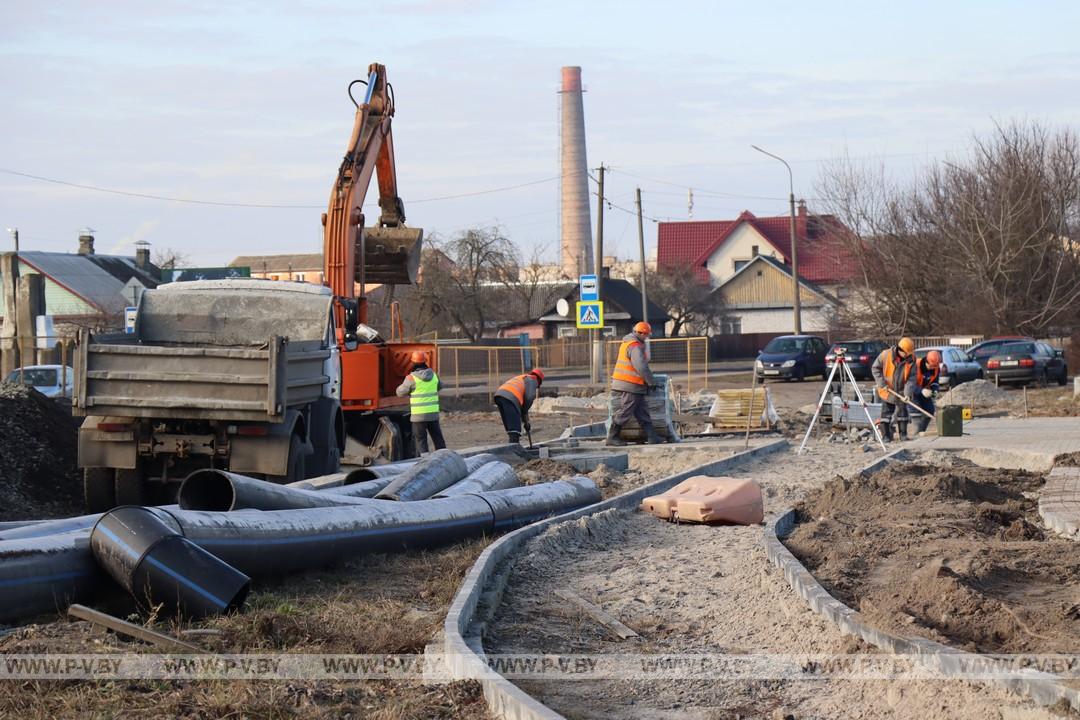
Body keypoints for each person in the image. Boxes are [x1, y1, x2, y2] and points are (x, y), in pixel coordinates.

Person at [607, 321, 664, 446]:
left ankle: (652, 436)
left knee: (642, 411)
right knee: (626, 410)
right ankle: (612, 436)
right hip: (630, 384)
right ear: (641, 333)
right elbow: (641, 366)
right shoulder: (634, 346)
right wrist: (651, 381)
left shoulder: (628, 343)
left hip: (632, 384)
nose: (647, 337)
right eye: (647, 335)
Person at [396, 351, 445, 455]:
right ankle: (444, 457)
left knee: (421, 440)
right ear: (425, 362)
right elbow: (440, 386)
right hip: (433, 414)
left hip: (419, 416)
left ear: (413, 363)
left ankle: (424, 460)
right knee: (438, 438)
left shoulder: (411, 378)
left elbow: (400, 393)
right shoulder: (434, 376)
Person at [872, 337, 917, 441]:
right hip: (887, 390)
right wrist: (882, 383)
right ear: (900, 350)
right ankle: (886, 436)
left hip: (901, 390)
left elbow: (912, 377)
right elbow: (875, 368)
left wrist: (907, 393)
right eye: (906, 353)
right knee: (886, 413)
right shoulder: (885, 355)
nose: (908, 355)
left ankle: (903, 435)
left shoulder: (911, 359)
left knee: (903, 412)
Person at [494, 368, 544, 444]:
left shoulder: (523, 378)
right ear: (539, 381)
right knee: (515, 428)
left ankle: (512, 445)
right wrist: (524, 411)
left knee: (510, 425)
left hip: (499, 395)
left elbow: (524, 403)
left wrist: (525, 421)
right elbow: (529, 398)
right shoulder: (532, 380)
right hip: (511, 397)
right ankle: (514, 447)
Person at [913, 350, 942, 433]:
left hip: (925, 393)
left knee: (930, 410)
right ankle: (915, 431)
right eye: (931, 366)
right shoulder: (915, 366)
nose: (933, 369)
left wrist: (934, 391)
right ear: (926, 361)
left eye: (935, 367)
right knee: (916, 411)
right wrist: (920, 390)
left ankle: (921, 431)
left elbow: (935, 382)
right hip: (912, 392)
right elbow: (908, 383)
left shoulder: (936, 368)